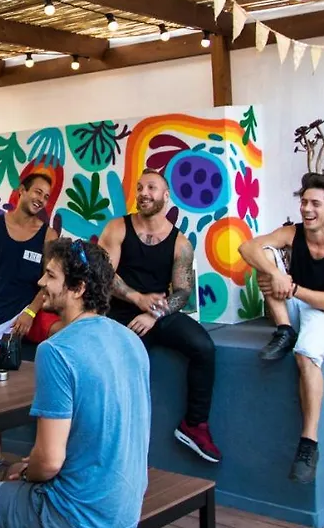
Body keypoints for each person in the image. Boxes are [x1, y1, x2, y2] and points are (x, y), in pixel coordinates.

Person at [0, 238, 150, 528]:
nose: (40, 282)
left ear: (78, 288)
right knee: (12, 472)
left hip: (73, 515)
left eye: (50, 275)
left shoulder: (57, 350)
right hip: (125, 510)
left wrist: (27, 472)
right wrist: (28, 467)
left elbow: (48, 463)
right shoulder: (132, 340)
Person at [238, 172, 324, 483]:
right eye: (304, 202)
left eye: (315, 204)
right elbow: (247, 248)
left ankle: (309, 444)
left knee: (306, 354)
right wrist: (275, 274)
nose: (306, 209)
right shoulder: (292, 232)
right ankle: (284, 330)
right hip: (295, 308)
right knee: (265, 259)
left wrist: (292, 288)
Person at [100, 169, 222, 463]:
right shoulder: (118, 228)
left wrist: (155, 314)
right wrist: (137, 298)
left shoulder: (181, 243)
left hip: (157, 312)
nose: (143, 193)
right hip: (121, 312)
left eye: (151, 188)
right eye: (140, 187)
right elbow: (104, 274)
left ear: (165, 196)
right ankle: (115, 440)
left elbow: (182, 291)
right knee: (128, 367)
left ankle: (194, 425)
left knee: (204, 347)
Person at [0, 173, 58, 476]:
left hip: (29, 314)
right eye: (37, 192)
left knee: (63, 339)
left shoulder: (48, 235)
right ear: (21, 191)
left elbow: (49, 282)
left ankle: (51, 451)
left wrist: (30, 312)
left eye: (46, 196)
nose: (41, 199)